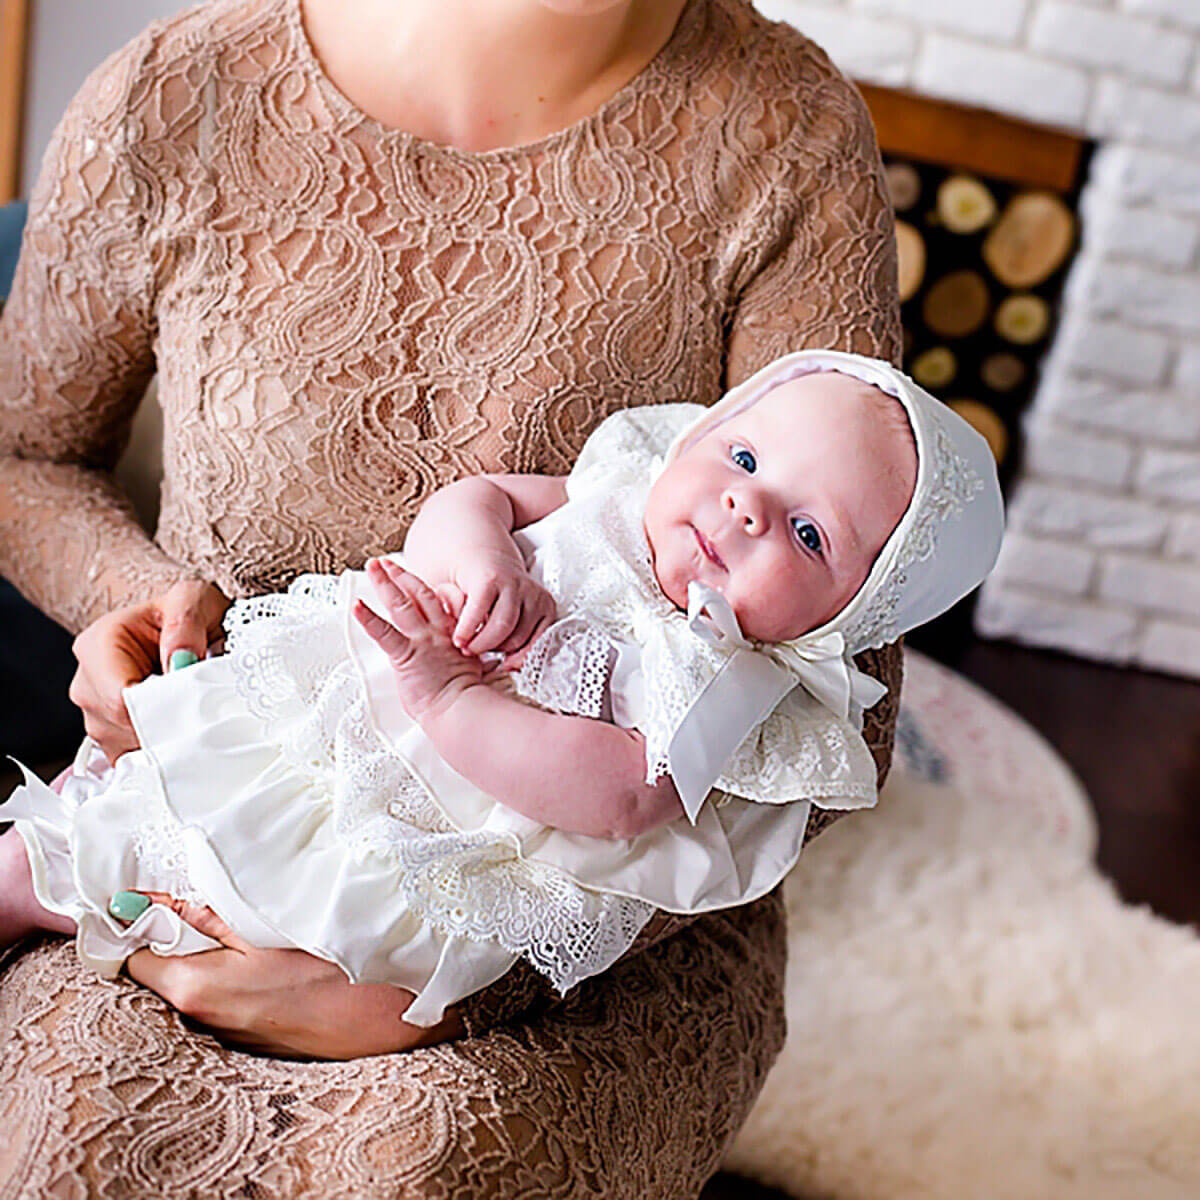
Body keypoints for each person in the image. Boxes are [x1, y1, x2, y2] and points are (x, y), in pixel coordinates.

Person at [0, 0, 913, 1191]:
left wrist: (472, 971)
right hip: (210, 798)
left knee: (427, 1160)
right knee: (78, 1131)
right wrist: (138, 605)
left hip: (588, 910)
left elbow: (858, 695)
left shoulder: (786, 134)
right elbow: (27, 456)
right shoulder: (171, 96)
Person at [2, 349, 1003, 1045]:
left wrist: (449, 699)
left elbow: (625, 794)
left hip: (429, 830)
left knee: (234, 898)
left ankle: (88, 898)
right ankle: (47, 870)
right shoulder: (615, 491)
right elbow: (474, 499)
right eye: (743, 458)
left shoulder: (730, 675)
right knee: (125, 794)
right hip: (330, 710)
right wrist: (479, 560)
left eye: (809, 535)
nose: (748, 505)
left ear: (845, 617)